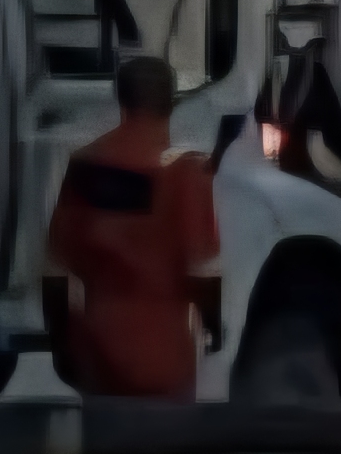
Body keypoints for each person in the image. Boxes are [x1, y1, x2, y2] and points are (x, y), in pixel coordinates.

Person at [43, 54, 226, 402]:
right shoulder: (186, 172)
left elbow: (55, 267)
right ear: (171, 102)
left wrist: (61, 339)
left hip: (97, 352)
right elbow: (202, 271)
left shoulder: (85, 164)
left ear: (120, 99)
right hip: (163, 357)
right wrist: (215, 328)